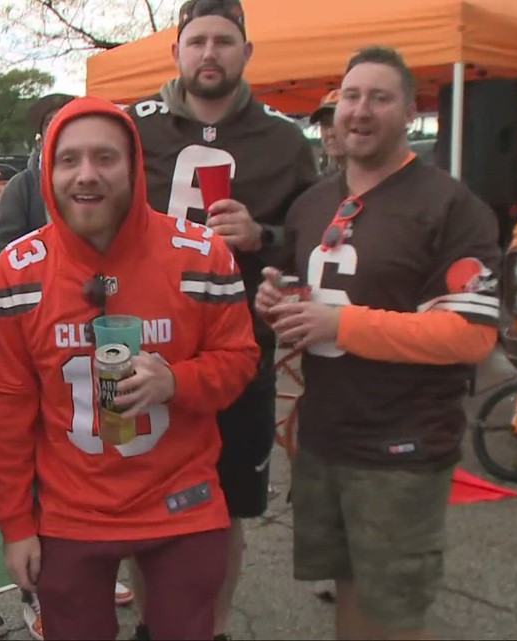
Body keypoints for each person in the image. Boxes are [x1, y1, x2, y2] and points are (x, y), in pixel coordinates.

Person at [0, 95, 259, 641]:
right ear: (47, 170)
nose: (86, 175)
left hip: (180, 499)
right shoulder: (17, 271)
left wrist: (175, 380)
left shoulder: (200, 252)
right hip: (71, 509)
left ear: (134, 165)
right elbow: (11, 413)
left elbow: (240, 360)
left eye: (105, 158)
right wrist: (15, 525)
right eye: (69, 160)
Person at [257, 45, 500, 641]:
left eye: (380, 97)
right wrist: (274, 301)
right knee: (347, 587)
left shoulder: (450, 205)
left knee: (392, 610)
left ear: (410, 111)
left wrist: (340, 325)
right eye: (351, 96)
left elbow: (470, 334)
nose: (360, 111)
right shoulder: (315, 201)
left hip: (402, 447)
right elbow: (302, 293)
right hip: (322, 438)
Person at [125, 2, 318, 638]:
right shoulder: (133, 126)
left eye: (225, 42)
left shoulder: (285, 139)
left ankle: (213, 626)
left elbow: (317, 238)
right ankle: (156, 625)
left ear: (246, 52)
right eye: (198, 41)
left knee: (225, 507)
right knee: (138, 498)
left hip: (239, 352)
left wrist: (261, 233)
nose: (210, 53)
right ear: (177, 53)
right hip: (138, 346)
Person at [0, 93, 74, 258]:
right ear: (40, 142)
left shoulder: (93, 179)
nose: (61, 126)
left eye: (68, 119)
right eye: (51, 122)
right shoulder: (21, 188)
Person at [311, 90, 346, 176]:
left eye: (338, 123)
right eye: (325, 123)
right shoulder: (323, 181)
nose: (330, 133)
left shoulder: (377, 179)